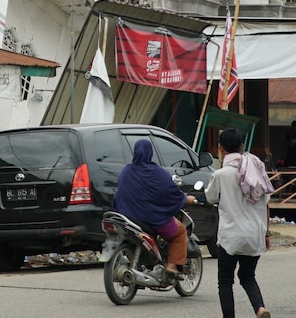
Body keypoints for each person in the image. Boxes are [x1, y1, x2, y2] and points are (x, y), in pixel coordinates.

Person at [205, 128, 273, 318]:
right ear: (241, 146)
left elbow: (210, 198)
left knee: (225, 281)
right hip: (254, 234)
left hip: (231, 236)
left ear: (220, 148)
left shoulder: (220, 175)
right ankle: (259, 308)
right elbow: (266, 205)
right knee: (247, 276)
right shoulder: (256, 170)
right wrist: (267, 234)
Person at [113, 139, 198, 279]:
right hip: (152, 218)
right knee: (180, 232)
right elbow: (171, 193)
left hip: (127, 217)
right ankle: (171, 266)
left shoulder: (126, 170)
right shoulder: (158, 173)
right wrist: (185, 199)